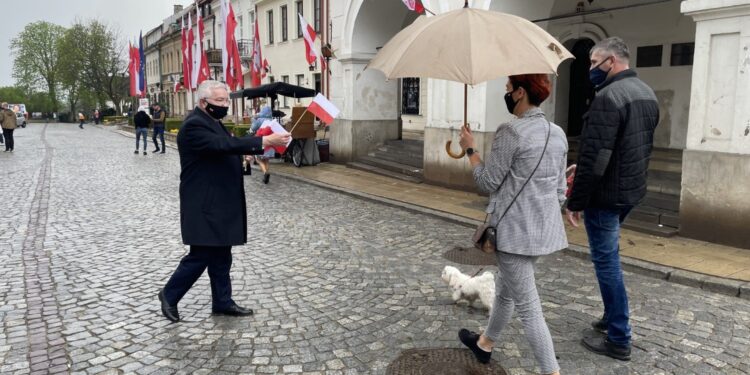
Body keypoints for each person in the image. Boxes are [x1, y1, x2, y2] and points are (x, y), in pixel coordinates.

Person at [456, 74, 568, 375]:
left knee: (530, 309)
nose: (505, 94)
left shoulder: (511, 131)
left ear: (520, 93)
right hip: (541, 232)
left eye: (507, 89)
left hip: (513, 233)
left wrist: (470, 149)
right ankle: (485, 344)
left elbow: (487, 181)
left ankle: (552, 372)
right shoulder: (558, 133)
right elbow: (559, 191)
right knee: (506, 290)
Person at [158, 80, 290, 322]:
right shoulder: (194, 125)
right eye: (219, 101)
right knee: (201, 255)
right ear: (203, 102)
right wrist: (264, 142)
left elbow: (222, 150)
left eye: (226, 100)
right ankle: (169, 294)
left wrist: (244, 154)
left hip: (219, 201)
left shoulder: (212, 121)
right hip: (204, 203)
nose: (224, 105)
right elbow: (221, 144)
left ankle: (222, 302)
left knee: (221, 255)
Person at [565, 37, 659, 361]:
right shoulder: (646, 93)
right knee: (610, 255)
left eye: (594, 63)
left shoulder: (608, 97)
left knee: (607, 262)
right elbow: (629, 147)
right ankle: (610, 317)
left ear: (613, 62)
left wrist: (575, 201)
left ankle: (619, 337)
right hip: (630, 191)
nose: (590, 69)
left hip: (606, 196)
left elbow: (596, 159)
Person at [250, 104, 274, 184]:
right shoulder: (272, 120)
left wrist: (254, 119)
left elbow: (253, 128)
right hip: (270, 143)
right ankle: (266, 173)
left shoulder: (259, 120)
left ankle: (265, 173)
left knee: (258, 159)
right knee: (266, 160)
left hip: (261, 142)